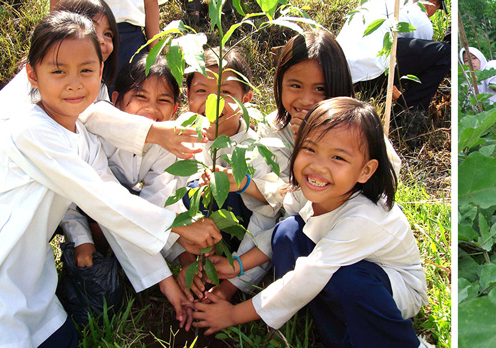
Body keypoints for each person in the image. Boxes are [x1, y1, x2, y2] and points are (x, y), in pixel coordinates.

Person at [0, 12, 221, 347]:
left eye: (85, 70)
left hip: (28, 262)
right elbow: (100, 197)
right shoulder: (30, 130)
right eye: (58, 71)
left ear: (101, 73)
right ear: (32, 75)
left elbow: (113, 202)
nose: (73, 83)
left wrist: (166, 279)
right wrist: (178, 225)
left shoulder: (81, 133)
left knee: (60, 337)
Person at [192, 97, 428, 347]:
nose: (318, 166)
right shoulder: (319, 190)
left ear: (365, 171)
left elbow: (308, 275)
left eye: (338, 158)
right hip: (339, 269)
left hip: (390, 289)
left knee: (347, 282)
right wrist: (237, 266)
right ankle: (315, 318)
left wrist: (232, 315)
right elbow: (281, 232)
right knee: (288, 232)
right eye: (310, 149)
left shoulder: (366, 217)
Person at [0, 0, 202, 215]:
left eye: (108, 34)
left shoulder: (94, 83)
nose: (103, 41)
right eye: (93, 30)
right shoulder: (53, 80)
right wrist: (154, 131)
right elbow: (94, 115)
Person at [201, 28, 407, 303]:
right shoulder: (273, 128)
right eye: (295, 86)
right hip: (288, 224)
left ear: (338, 87)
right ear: (280, 84)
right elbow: (273, 207)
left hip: (341, 232)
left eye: (320, 89)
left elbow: (389, 173)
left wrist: (314, 142)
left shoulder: (355, 126)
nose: (307, 100)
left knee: (296, 237)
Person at [60, 53, 191, 311]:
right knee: (101, 228)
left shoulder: (166, 142)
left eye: (163, 100)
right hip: (88, 211)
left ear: (175, 109)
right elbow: (72, 199)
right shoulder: (96, 132)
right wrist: (82, 238)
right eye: (141, 97)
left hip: (124, 207)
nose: (152, 109)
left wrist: (184, 256)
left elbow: (158, 203)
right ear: (116, 102)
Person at [175, 45, 278, 299]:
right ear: (188, 95)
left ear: (247, 98)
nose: (213, 102)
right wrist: (186, 260)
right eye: (201, 91)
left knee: (230, 188)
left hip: (236, 251)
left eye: (226, 93)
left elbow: (266, 219)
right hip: (193, 243)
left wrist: (232, 283)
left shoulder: (255, 151)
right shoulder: (178, 141)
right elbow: (165, 206)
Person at [336, 0, 448, 113]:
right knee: (444, 52)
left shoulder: (377, 3)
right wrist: (404, 100)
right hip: (373, 72)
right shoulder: (421, 20)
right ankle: (408, 116)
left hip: (342, 73)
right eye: (436, 9)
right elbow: (419, 66)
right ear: (431, 3)